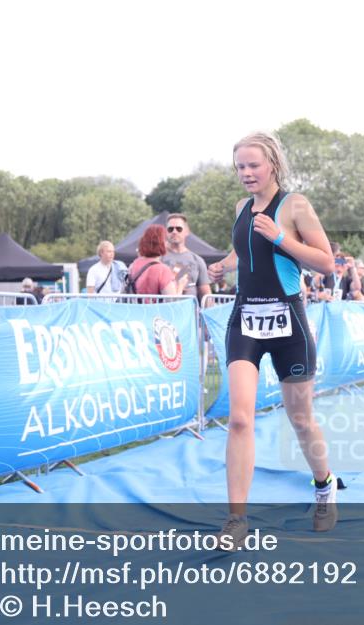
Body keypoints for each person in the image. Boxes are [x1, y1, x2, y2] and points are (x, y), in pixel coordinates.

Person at [206, 131, 338, 549]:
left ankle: (324, 487)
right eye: (240, 166)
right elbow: (246, 252)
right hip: (245, 318)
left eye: (253, 165)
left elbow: (326, 263)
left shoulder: (294, 205)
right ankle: (236, 520)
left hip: (289, 324)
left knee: (300, 419)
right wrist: (223, 266)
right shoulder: (241, 207)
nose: (246, 173)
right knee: (240, 418)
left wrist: (280, 237)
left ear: (272, 166)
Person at [162, 213, 212, 303]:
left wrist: (210, 315)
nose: (174, 232)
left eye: (179, 229)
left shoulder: (197, 260)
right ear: (166, 232)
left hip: (189, 314)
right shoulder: (158, 258)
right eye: (170, 229)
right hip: (164, 313)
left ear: (187, 231)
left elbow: (206, 294)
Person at [126, 226, 188, 296]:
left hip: (135, 306)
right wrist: (181, 286)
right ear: (161, 243)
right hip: (154, 307)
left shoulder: (133, 265)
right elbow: (172, 301)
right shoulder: (163, 270)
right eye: (166, 240)